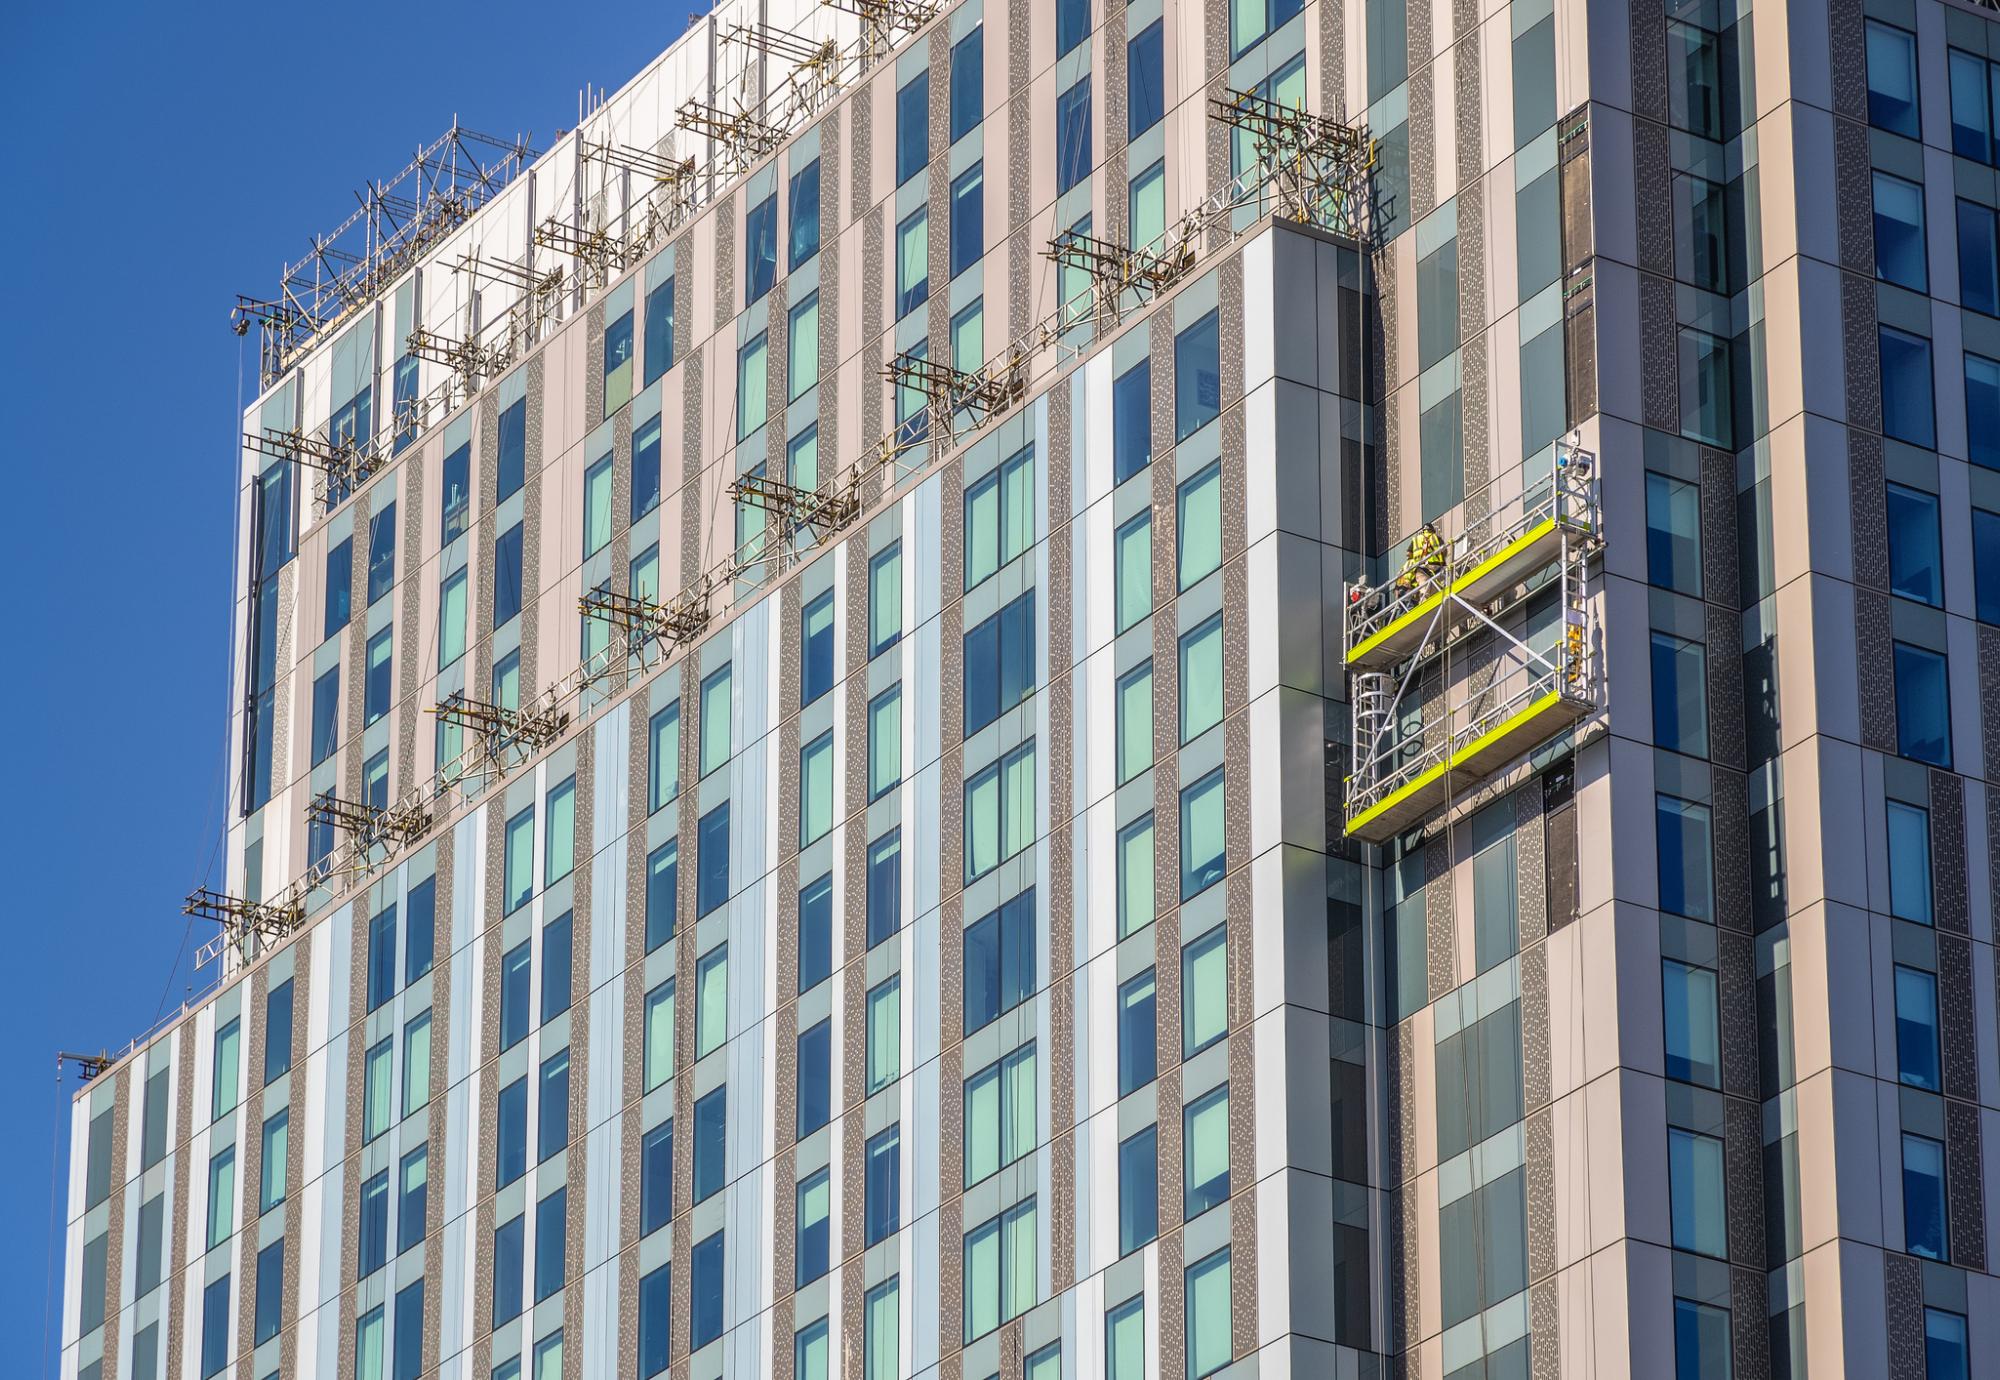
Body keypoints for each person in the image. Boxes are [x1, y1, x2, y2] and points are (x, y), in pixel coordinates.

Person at [1395, 522, 1445, 599]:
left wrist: (1415, 557)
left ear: (1423, 530)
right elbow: (1443, 551)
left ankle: (1424, 600)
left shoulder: (1415, 539)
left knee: (1424, 587)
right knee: (1443, 581)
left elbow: (1408, 554)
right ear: (1432, 530)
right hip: (1434, 564)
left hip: (1420, 567)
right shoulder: (1436, 537)